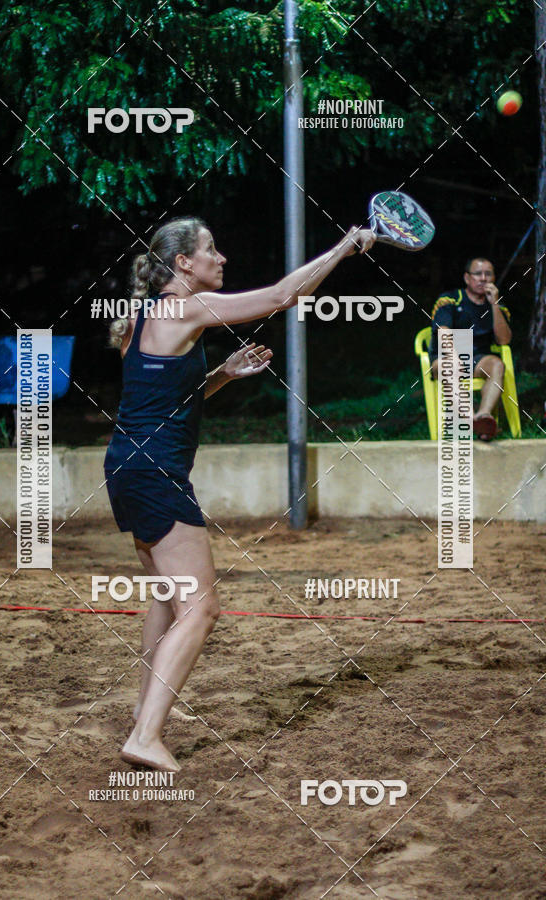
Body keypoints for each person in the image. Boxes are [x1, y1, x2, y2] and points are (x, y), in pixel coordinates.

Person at [104, 216, 375, 771]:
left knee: (167, 597)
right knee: (201, 608)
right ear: (183, 264)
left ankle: (144, 714)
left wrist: (223, 374)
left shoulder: (147, 316)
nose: (220, 257)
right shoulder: (188, 307)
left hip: (128, 467)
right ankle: (146, 736)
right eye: (211, 249)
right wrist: (345, 249)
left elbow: (166, 399)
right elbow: (282, 295)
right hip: (156, 472)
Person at [428, 257, 512, 441]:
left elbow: (504, 340)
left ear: (493, 278)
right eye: (478, 274)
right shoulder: (450, 299)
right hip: (445, 358)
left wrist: (495, 305)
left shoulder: (497, 306)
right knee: (452, 366)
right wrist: (454, 357)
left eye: (488, 274)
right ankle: (470, 419)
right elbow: (443, 332)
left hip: (477, 358)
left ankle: (483, 416)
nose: (483, 278)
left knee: (497, 364)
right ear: (467, 278)